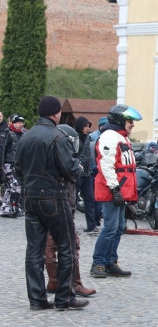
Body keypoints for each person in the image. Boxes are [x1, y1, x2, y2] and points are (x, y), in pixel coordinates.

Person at [14, 95, 89, 310]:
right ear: (56, 114)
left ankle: (37, 299)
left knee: (34, 249)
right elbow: (70, 169)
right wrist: (79, 168)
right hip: (54, 197)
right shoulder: (58, 136)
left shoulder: (25, 137)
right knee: (66, 245)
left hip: (30, 197)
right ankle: (64, 298)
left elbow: (18, 169)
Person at [89, 104, 142, 278]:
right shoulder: (109, 137)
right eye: (129, 121)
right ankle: (98, 263)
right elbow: (106, 165)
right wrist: (114, 189)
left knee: (118, 227)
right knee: (110, 228)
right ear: (120, 120)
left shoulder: (121, 137)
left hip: (119, 190)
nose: (132, 124)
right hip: (112, 190)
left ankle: (110, 261)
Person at [45, 125, 96, 298]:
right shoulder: (63, 157)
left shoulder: (52, 153)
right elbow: (71, 173)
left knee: (51, 243)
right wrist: (78, 168)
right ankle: (74, 283)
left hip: (59, 205)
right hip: (62, 205)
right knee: (70, 244)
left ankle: (54, 281)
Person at [74, 116, 100, 233]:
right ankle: (70, 226)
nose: (88, 128)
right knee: (72, 201)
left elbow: (89, 156)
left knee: (90, 200)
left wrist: (90, 170)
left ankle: (92, 225)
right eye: (86, 126)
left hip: (87, 174)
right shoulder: (74, 138)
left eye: (88, 126)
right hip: (77, 174)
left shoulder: (88, 138)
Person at [0, 114, 22, 217]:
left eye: (22, 122)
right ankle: (13, 208)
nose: (21, 124)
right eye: (19, 122)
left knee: (11, 186)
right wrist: (1, 164)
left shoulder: (21, 134)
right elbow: (3, 148)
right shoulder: (7, 132)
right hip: (7, 163)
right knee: (15, 185)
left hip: (15, 163)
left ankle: (5, 208)